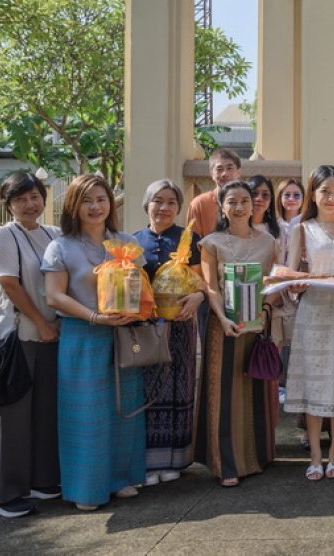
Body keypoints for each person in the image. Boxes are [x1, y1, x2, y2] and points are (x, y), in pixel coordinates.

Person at [41, 175, 147, 510]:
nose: (95, 207)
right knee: (86, 414)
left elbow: (142, 286)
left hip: (122, 334)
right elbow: (54, 296)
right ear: (73, 205)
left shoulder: (126, 241)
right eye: (87, 200)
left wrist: (136, 311)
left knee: (122, 409)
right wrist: (93, 317)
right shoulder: (60, 246)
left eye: (101, 199)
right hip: (82, 336)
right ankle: (86, 489)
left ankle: (120, 479)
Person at [196, 180, 282, 487]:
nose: (240, 206)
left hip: (257, 324)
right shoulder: (211, 243)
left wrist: (266, 310)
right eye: (232, 201)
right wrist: (222, 318)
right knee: (225, 394)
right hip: (225, 327)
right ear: (222, 206)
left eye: (246, 200)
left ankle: (258, 455)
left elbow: (274, 283)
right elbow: (209, 286)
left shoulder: (269, 242)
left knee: (255, 388)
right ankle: (226, 464)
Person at [283, 165, 334, 481]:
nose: (331, 198)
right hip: (314, 309)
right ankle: (315, 455)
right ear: (313, 195)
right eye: (325, 191)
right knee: (315, 380)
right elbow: (292, 274)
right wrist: (294, 284)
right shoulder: (301, 229)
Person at [0, 173, 61, 518]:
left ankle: (41, 480)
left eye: (34, 196)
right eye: (20, 199)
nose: (30, 204)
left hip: (51, 334)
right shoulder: (3, 236)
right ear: (9, 205)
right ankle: (2, 494)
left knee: (46, 411)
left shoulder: (53, 234)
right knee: (13, 416)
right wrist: (42, 322)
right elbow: (9, 284)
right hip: (18, 336)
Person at [133, 180, 204, 487]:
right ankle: (149, 462)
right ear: (146, 205)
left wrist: (198, 298)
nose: (164, 208)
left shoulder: (190, 239)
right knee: (148, 389)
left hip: (181, 325)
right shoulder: (133, 242)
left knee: (180, 386)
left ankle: (177, 458)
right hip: (146, 328)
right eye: (157, 201)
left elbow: (203, 282)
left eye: (171, 202)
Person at [187, 148, 242, 238]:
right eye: (219, 169)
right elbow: (192, 243)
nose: (224, 174)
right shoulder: (199, 204)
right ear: (211, 173)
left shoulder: (248, 202)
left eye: (229, 168)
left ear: (239, 172)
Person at [247, 175, 282, 241]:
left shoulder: (279, 229)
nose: (259, 199)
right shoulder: (237, 227)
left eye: (265, 195)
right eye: (254, 194)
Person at [275, 178, 305, 243]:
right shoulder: (273, 224)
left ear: (303, 198)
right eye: (287, 195)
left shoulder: (308, 225)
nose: (291, 199)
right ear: (280, 198)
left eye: (296, 195)